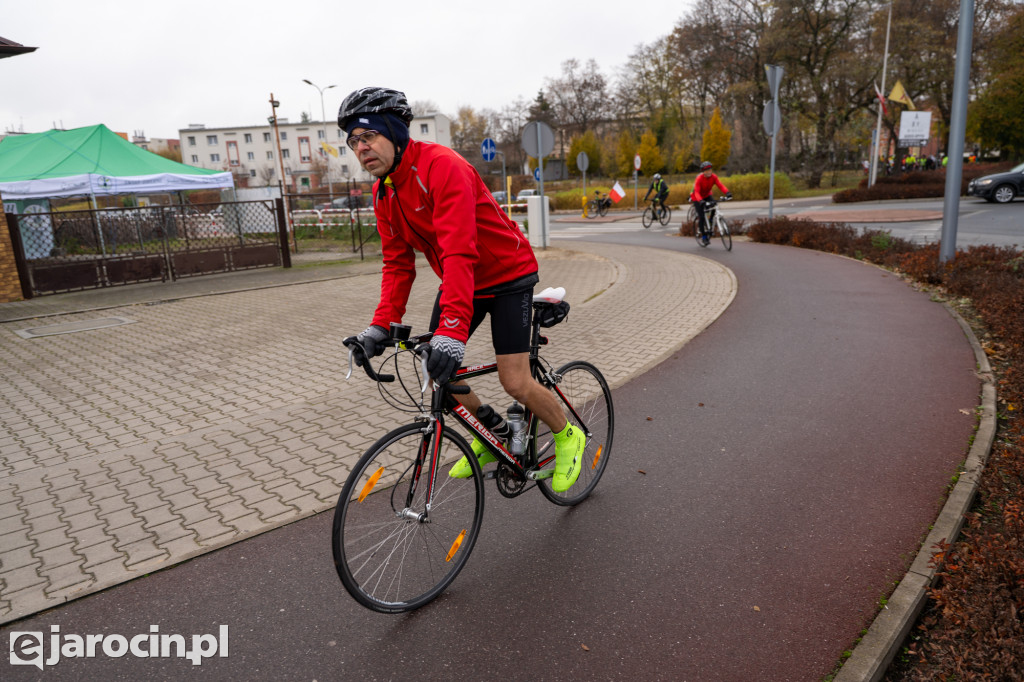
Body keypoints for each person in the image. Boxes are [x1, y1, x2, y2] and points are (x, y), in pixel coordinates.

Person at [339, 86, 585, 493]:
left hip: (507, 275)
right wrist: (381, 327)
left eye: (367, 136)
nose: (360, 148)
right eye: (352, 142)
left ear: (393, 133)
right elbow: (397, 266)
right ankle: (494, 432)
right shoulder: (385, 192)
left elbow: (459, 250)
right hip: (463, 279)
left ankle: (566, 435)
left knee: (515, 381)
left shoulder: (441, 166)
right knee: (438, 373)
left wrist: (451, 330)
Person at [690, 161, 731, 244]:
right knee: (701, 217)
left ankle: (710, 220)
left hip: (707, 195)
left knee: (714, 205)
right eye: (707, 170)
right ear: (703, 172)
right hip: (697, 197)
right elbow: (696, 192)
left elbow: (720, 185)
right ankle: (704, 236)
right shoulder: (699, 179)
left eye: (710, 170)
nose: (709, 172)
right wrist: (700, 201)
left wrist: (727, 192)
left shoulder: (714, 177)